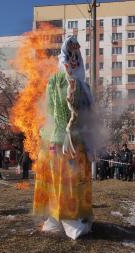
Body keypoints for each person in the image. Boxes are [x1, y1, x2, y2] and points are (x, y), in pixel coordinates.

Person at [33, 36, 93, 239]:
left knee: (74, 181)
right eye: (70, 56)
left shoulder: (84, 86)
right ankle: (62, 221)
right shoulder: (57, 80)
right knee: (61, 181)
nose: (74, 61)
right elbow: (54, 112)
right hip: (59, 143)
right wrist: (63, 134)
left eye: (77, 57)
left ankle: (69, 221)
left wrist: (90, 143)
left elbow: (88, 118)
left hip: (76, 143)